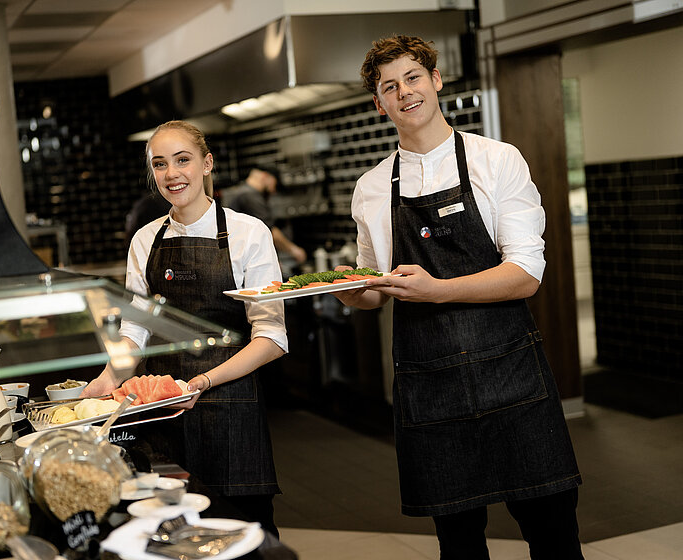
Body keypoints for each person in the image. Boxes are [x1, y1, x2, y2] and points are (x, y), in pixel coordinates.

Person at [333, 35, 584, 559]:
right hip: (430, 386)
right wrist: (350, 292)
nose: (404, 93)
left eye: (413, 78)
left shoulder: (497, 160)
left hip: (510, 375)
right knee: (460, 544)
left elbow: (525, 275)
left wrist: (437, 290)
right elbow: (375, 290)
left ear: (436, 80)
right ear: (378, 103)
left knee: (554, 533)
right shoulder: (372, 188)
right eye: (389, 87)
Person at [81, 120, 286, 536]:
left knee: (246, 534)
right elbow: (135, 333)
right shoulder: (144, 240)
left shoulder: (250, 233)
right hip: (162, 410)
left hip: (231, 404)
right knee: (174, 535)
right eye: (160, 164)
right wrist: (107, 379)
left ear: (206, 163)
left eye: (182, 160)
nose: (171, 174)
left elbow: (271, 338)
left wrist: (204, 381)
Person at [219, 166, 307, 264]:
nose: (273, 190)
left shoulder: (242, 192)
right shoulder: (250, 196)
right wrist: (295, 251)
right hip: (245, 260)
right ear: (265, 176)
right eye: (275, 183)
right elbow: (270, 231)